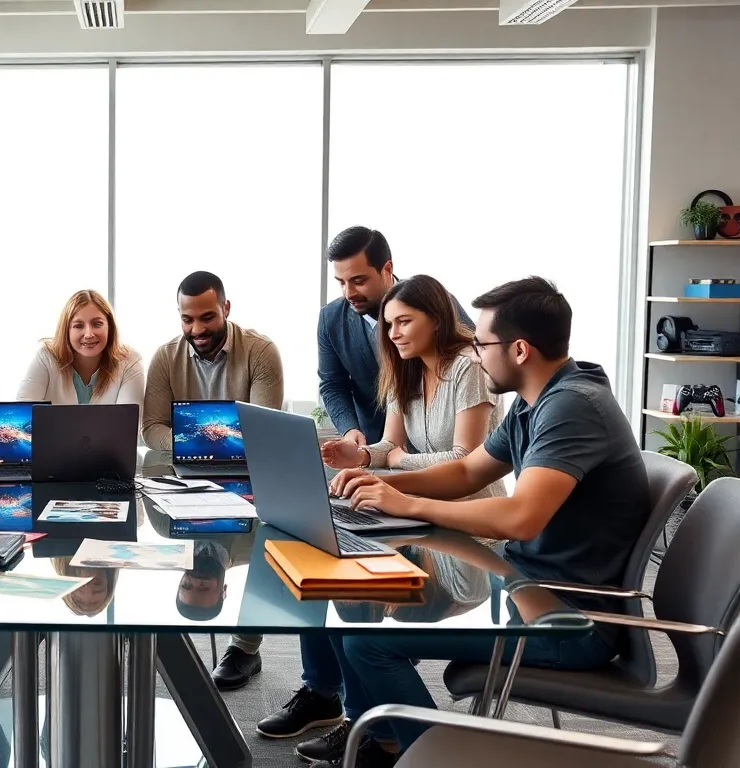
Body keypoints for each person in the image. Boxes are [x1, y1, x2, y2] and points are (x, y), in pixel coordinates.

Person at [305, 277, 649, 767]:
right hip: (525, 587)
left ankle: (436, 756)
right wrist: (378, 482)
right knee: (355, 599)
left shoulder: (572, 407)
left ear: (521, 350)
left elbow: (521, 516)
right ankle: (401, 745)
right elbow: (469, 471)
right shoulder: (540, 401)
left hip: (567, 621)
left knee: (364, 640)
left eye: (482, 343)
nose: (476, 353)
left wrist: (410, 505)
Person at [219, 230, 472, 696]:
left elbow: (468, 450)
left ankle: (359, 701)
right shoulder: (349, 328)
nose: (349, 292)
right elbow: (333, 385)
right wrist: (357, 441)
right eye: (340, 281)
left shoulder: (439, 322)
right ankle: (316, 687)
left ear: (388, 269)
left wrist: (391, 456)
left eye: (358, 280)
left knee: (346, 583)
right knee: (306, 538)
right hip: (382, 459)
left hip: (428, 478)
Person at [320, 274, 505, 498]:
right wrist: (361, 456)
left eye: (404, 322)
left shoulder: (469, 367)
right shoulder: (405, 371)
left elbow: (464, 458)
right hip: (426, 509)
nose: (393, 334)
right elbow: (391, 444)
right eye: (389, 324)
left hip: (475, 517)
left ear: (436, 320)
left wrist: (403, 460)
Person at [141, 271, 284, 451]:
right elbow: (152, 428)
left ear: (226, 308)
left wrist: (205, 440)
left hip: (246, 466)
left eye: (207, 318)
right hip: (184, 464)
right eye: (187, 320)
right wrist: (195, 443)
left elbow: (264, 429)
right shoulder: (165, 357)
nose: (197, 329)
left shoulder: (261, 352)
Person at [16, 289, 145, 421]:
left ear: (109, 327)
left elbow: (128, 424)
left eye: (97, 324)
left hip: (110, 443)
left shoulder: (129, 360)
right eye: (78, 326)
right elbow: (24, 415)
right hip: (52, 442)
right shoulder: (46, 357)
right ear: (66, 330)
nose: (89, 334)